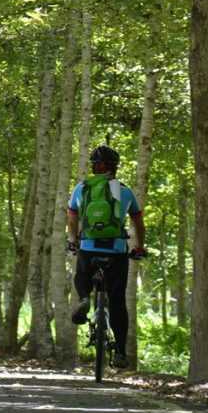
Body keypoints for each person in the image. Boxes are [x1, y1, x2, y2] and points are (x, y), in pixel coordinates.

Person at [66, 144, 145, 369]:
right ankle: (120, 351)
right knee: (118, 301)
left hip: (89, 247)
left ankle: (83, 298)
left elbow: (72, 219)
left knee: (82, 276)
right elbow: (138, 222)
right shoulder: (124, 190)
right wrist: (139, 247)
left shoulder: (81, 188)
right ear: (115, 168)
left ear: (94, 167)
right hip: (116, 250)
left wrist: (73, 241)